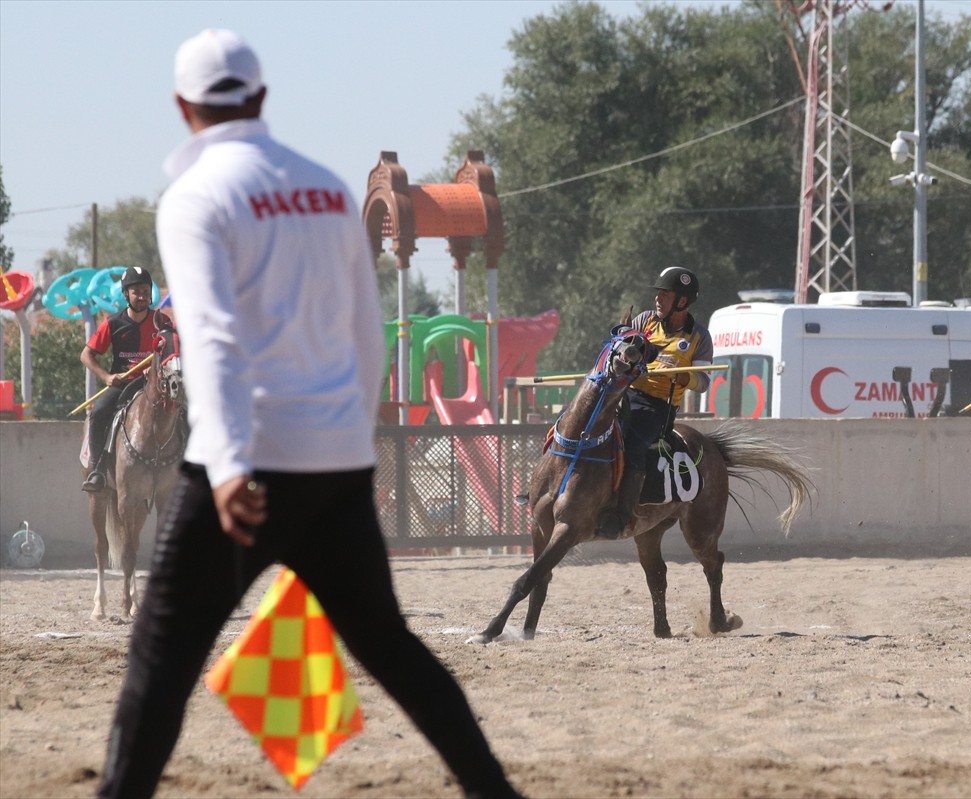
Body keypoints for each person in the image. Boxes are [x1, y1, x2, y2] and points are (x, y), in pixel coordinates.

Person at [98, 29, 522, 799]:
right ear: (260, 99)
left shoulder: (195, 197)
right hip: (335, 467)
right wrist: (350, 443)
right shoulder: (328, 188)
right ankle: (496, 791)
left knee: (159, 661)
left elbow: (215, 342)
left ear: (182, 107)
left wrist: (226, 467)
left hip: (247, 467)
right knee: (393, 650)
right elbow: (368, 331)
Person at [595, 266, 714, 539]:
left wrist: (680, 374)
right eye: (658, 293)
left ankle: (623, 515)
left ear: (682, 301)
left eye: (665, 294)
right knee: (578, 421)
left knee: (633, 443)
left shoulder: (699, 338)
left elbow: (704, 383)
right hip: (623, 393)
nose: (658, 299)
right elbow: (625, 344)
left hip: (657, 407)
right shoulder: (645, 320)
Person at [80, 266, 158, 492]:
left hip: (154, 384)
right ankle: (97, 470)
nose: (142, 296)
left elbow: (172, 351)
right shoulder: (112, 323)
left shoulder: (161, 322)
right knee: (98, 412)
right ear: (126, 294)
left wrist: (155, 368)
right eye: (137, 292)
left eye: (146, 290)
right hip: (123, 385)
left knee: (185, 411)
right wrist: (106, 376)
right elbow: (86, 355)